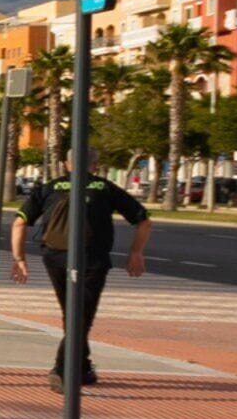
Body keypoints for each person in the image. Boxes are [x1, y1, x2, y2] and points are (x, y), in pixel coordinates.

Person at [16, 162, 151, 391]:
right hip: (92, 259)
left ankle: (83, 367)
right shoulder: (104, 187)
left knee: (72, 313)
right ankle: (61, 370)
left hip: (55, 258)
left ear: (67, 164)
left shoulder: (50, 187)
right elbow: (144, 220)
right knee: (80, 316)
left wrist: (19, 259)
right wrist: (135, 252)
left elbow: (20, 222)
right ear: (96, 165)